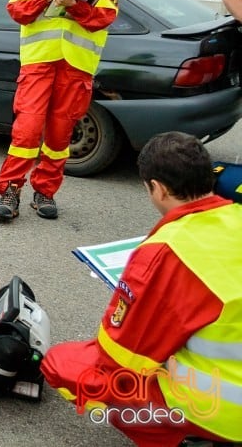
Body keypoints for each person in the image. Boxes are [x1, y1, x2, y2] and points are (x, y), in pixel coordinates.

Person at [42, 131, 242, 446]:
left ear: (158, 189)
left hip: (225, 410)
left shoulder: (168, 252)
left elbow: (120, 358)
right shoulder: (237, 215)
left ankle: (184, 434)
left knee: (64, 364)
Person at [0, 0, 118, 221]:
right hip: (39, 63)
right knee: (27, 131)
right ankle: (11, 191)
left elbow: (105, 17)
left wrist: (75, 5)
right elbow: (16, 9)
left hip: (76, 68)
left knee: (60, 136)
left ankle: (45, 191)